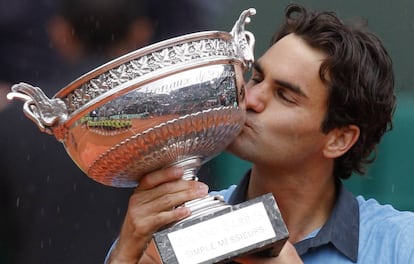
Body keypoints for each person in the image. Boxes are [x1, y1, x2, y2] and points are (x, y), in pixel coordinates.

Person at [103, 3, 414, 263]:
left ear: (339, 138)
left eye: (285, 96)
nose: (249, 99)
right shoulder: (168, 230)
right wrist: (125, 255)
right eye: (257, 78)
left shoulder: (401, 245)